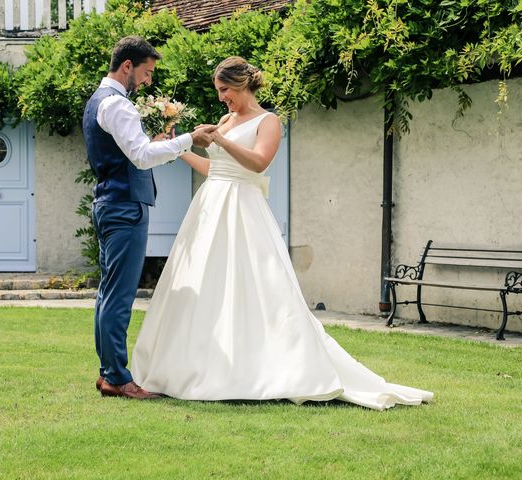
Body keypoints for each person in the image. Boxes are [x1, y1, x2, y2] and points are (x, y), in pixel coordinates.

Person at [130, 57, 433, 410]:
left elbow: (259, 162)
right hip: (210, 206)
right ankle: (203, 362)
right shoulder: (226, 120)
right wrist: (180, 150)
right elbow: (216, 168)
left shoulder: (268, 121)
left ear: (243, 84)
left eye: (224, 90)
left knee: (255, 286)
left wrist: (220, 141)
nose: (221, 98)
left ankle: (270, 366)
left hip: (242, 209)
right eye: (218, 91)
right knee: (208, 284)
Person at [82, 36, 216, 400]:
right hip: (125, 207)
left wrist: (160, 144)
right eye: (146, 71)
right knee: (119, 295)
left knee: (108, 293)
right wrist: (189, 138)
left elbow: (136, 152)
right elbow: (141, 158)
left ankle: (108, 372)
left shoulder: (101, 101)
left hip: (113, 203)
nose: (148, 81)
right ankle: (117, 377)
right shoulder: (118, 106)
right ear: (127, 65)